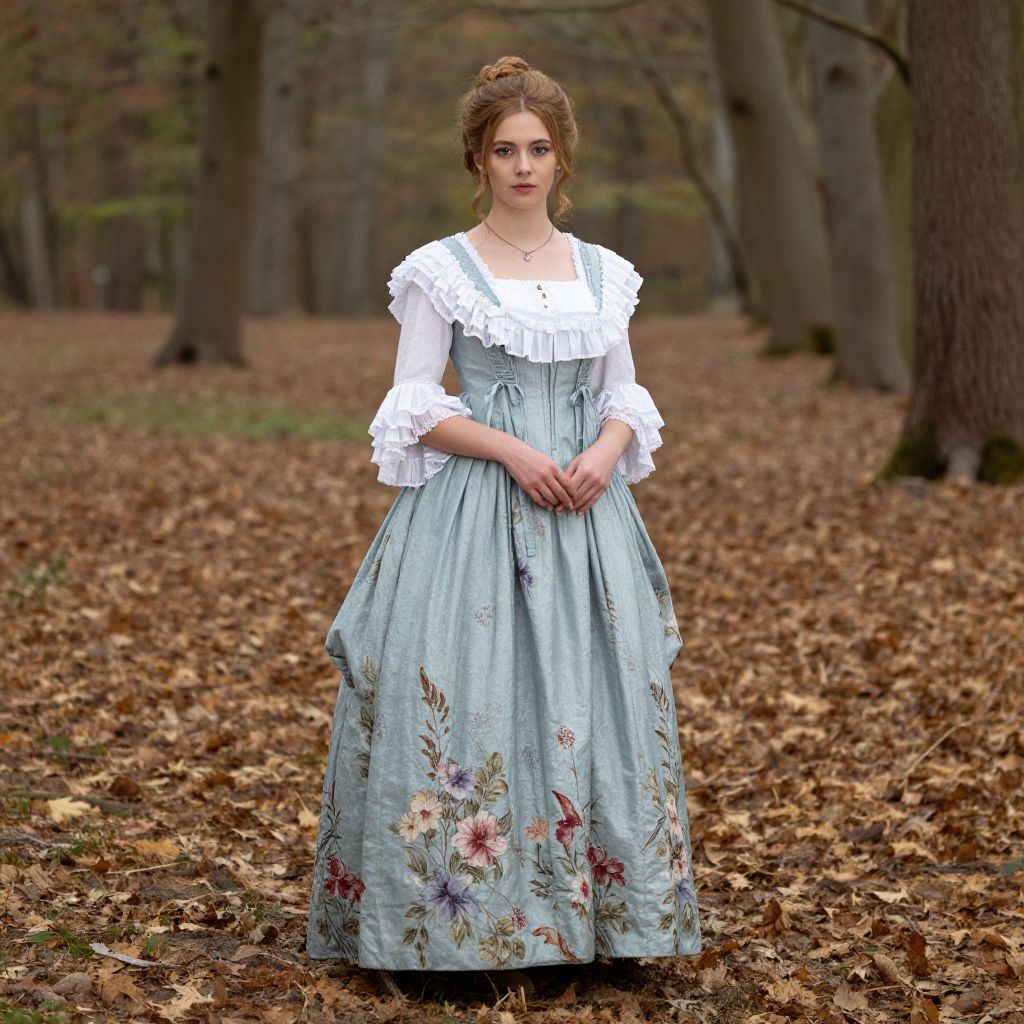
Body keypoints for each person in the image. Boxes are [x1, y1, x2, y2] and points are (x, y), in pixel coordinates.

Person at [305, 55, 701, 974]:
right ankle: (456, 936)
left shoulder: (604, 273)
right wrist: (516, 451)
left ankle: (603, 929)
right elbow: (414, 402)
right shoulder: (441, 270)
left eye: (539, 148)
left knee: (592, 698)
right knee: (469, 695)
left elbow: (623, 391)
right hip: (476, 516)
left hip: (587, 519)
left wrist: (602, 456)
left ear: (563, 160)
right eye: (504, 150)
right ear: (477, 161)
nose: (523, 165)